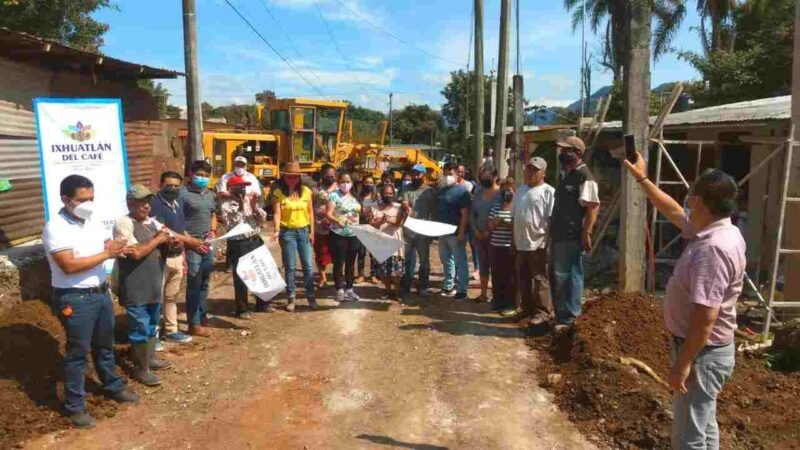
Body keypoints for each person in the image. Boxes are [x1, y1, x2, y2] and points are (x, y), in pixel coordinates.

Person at [623, 153, 744, 450]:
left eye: (692, 192)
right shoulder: (718, 230)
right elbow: (674, 211)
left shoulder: (712, 249)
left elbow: (706, 318)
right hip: (706, 352)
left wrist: (683, 363)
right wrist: (642, 178)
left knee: (688, 437)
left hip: (702, 354)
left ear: (699, 201)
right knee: (703, 424)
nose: (686, 197)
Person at [43, 175, 139, 428]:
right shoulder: (55, 228)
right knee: (77, 354)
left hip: (100, 293)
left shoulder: (92, 219)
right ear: (65, 199)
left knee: (104, 345)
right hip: (75, 298)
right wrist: (107, 253)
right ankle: (75, 406)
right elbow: (69, 266)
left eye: (92, 198)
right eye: (83, 200)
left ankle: (112, 385)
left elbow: (103, 244)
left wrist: (116, 247)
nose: (89, 203)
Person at [114, 185, 172, 386]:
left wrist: (172, 242)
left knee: (152, 324)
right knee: (139, 326)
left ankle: (150, 359)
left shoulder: (151, 223)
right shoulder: (124, 223)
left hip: (153, 283)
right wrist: (159, 239)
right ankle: (141, 369)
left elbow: (168, 238)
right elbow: (136, 253)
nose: (146, 206)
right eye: (141, 202)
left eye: (148, 202)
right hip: (135, 286)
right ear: (130, 203)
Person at [150, 171, 206, 346]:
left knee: (171, 297)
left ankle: (172, 330)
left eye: (176, 186)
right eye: (168, 185)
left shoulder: (177, 203)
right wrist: (189, 241)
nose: (172, 189)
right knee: (156, 298)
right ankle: (153, 336)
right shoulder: (155, 204)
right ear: (160, 185)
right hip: (161, 257)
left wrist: (193, 243)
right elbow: (163, 230)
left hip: (176, 255)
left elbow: (180, 230)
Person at [550, 136, 599, 332]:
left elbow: (593, 207)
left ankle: (570, 318)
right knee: (558, 276)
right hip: (559, 234)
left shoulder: (584, 177)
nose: (562, 154)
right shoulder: (567, 174)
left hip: (571, 235)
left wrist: (587, 232)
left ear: (577, 153)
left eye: (566, 150)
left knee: (570, 275)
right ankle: (561, 315)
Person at [512, 157, 555, 325]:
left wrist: (548, 244)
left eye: (535, 170)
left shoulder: (549, 192)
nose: (530, 173)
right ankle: (526, 310)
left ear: (543, 173)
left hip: (539, 243)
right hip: (521, 243)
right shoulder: (521, 190)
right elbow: (514, 217)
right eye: (528, 169)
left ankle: (543, 312)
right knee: (523, 278)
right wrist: (512, 241)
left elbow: (551, 220)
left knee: (540, 279)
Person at [271, 162, 316, 311]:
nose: (292, 180)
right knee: (290, 267)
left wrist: (312, 232)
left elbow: (310, 212)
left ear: (299, 178)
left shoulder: (306, 192)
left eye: (294, 177)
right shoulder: (278, 193)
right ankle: (291, 298)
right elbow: (277, 213)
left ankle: (311, 297)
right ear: (284, 177)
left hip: (303, 231)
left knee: (308, 266)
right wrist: (277, 229)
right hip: (287, 232)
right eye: (288, 177)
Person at [180, 160, 218, 337]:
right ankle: (193, 324)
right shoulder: (183, 194)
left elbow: (213, 214)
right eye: (199, 174)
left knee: (204, 282)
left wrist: (212, 229)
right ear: (191, 174)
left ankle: (202, 316)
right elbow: (177, 222)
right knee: (194, 284)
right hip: (191, 245)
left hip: (207, 244)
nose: (202, 178)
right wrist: (189, 241)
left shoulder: (210, 194)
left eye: (205, 175)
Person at [222, 175, 267, 317]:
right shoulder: (226, 205)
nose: (242, 189)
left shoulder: (249, 200)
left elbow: (262, 219)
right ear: (230, 188)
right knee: (242, 275)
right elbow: (233, 223)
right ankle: (242, 308)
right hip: (239, 243)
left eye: (243, 186)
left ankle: (262, 303)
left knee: (260, 272)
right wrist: (241, 205)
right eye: (238, 186)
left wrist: (254, 207)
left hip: (254, 239)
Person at [400, 164, 437, 297]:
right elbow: (402, 203)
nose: (415, 176)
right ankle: (407, 285)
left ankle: (423, 286)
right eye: (413, 173)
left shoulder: (430, 191)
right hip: (408, 230)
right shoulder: (405, 189)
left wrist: (432, 230)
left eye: (418, 174)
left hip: (423, 230)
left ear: (423, 175)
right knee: (408, 259)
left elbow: (434, 212)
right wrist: (404, 205)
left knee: (424, 260)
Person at [435, 163, 471, 301]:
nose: (448, 176)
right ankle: (448, 285)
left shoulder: (462, 192)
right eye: (446, 173)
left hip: (456, 233)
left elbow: (465, 214)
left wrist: (462, 232)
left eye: (451, 174)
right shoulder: (442, 191)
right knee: (446, 260)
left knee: (460, 261)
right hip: (442, 232)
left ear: (457, 175)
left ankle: (462, 289)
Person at [325, 171, 363, 302]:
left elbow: (359, 212)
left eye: (348, 182)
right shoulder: (334, 196)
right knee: (339, 263)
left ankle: (350, 289)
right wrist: (336, 221)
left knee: (351, 264)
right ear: (338, 182)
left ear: (352, 183)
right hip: (338, 234)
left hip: (354, 234)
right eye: (342, 181)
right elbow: (328, 214)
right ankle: (339, 290)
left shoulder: (355, 196)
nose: (345, 184)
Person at [368, 183, 406, 299]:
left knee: (396, 273)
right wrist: (379, 222)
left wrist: (387, 220)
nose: (388, 195)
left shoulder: (399, 207)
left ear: (394, 194)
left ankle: (397, 292)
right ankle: (388, 291)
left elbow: (399, 222)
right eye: (386, 193)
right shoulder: (373, 206)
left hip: (395, 243)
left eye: (390, 193)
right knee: (383, 271)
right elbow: (370, 224)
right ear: (381, 194)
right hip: (380, 243)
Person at [470, 167, 500, 303]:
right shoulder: (478, 192)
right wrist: (475, 230)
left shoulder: (501, 193)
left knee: (496, 266)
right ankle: (483, 293)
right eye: (482, 177)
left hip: (496, 236)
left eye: (487, 177)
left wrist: (489, 230)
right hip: (479, 235)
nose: (483, 180)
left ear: (495, 177)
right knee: (483, 265)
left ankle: (497, 295)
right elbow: (472, 213)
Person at [487, 183, 517, 316]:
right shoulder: (496, 206)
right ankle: (497, 301)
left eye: (509, 190)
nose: (507, 193)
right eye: (504, 191)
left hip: (509, 246)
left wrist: (508, 224)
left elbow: (518, 227)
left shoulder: (516, 207)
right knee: (496, 274)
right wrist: (497, 222)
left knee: (509, 276)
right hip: (496, 245)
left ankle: (509, 303)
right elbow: (490, 226)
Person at [313, 164, 337, 288]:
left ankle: (337, 275)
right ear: (322, 175)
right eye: (328, 176)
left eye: (333, 176)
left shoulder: (340, 187)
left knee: (336, 251)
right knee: (320, 251)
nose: (330, 178)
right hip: (320, 225)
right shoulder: (316, 187)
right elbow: (311, 204)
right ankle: (322, 276)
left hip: (336, 224)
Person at [356, 175, 380, 284]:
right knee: (361, 252)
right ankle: (361, 274)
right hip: (361, 227)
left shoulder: (376, 197)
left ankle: (373, 275)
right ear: (362, 184)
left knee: (373, 253)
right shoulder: (358, 197)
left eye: (371, 183)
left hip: (373, 227)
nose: (368, 185)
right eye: (366, 183)